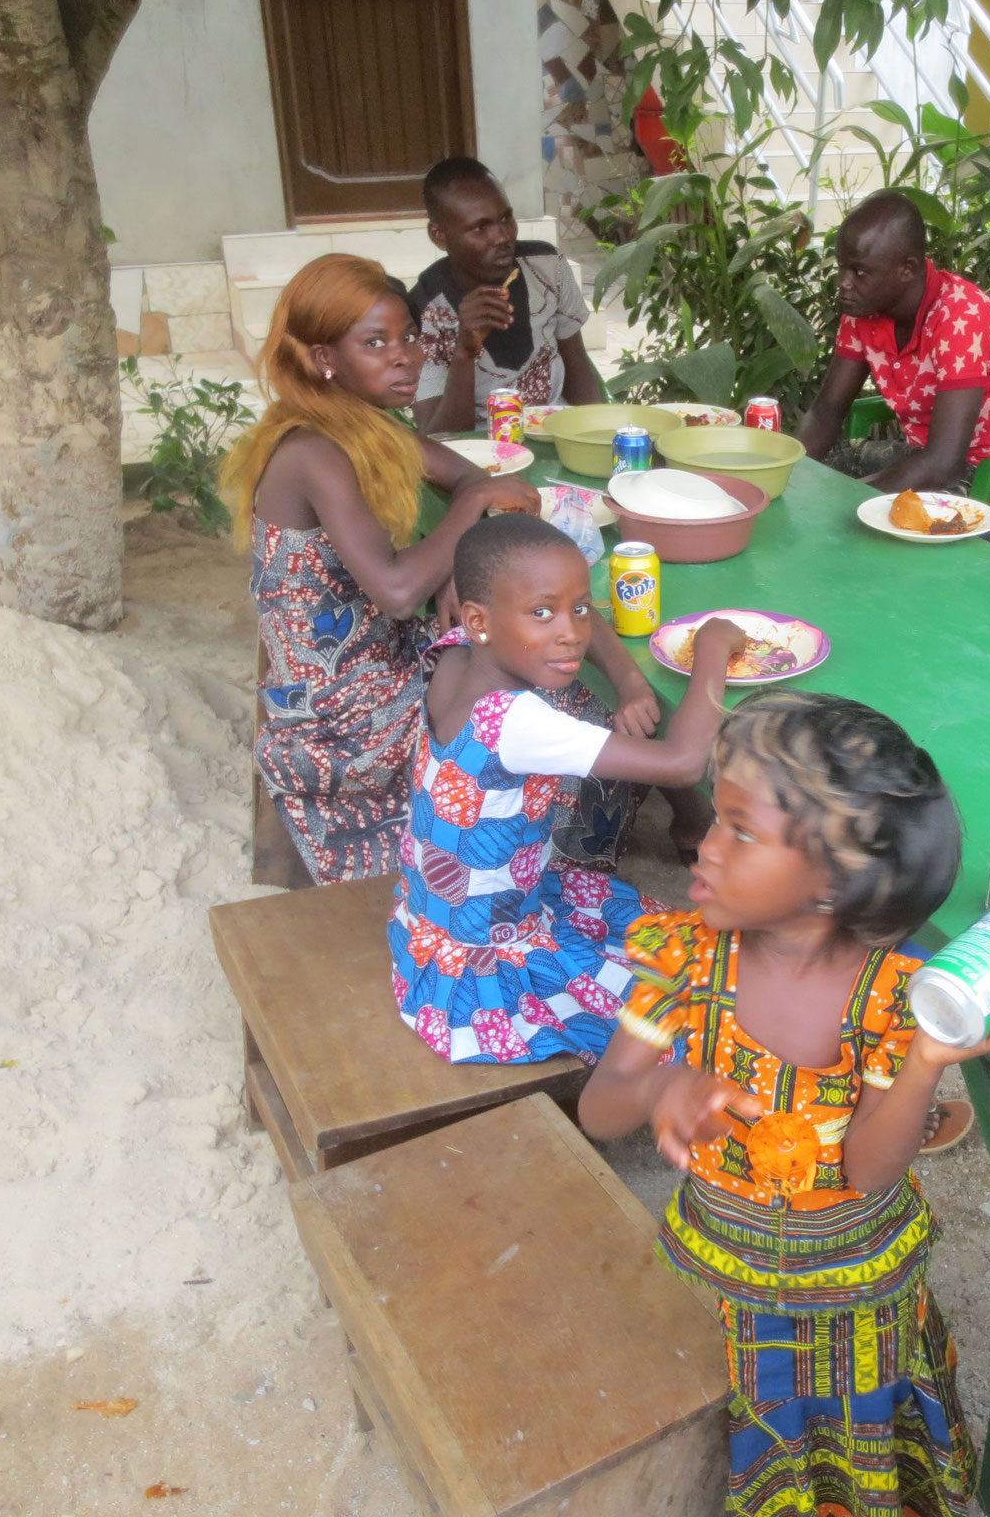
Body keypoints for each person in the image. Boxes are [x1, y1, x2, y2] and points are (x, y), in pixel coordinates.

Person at [579, 691, 990, 1516]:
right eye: (715, 816)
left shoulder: (893, 997)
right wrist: (660, 1084)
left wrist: (927, 1063)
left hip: (854, 1291)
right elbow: (599, 1108)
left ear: (832, 886)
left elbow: (868, 1171)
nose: (706, 846)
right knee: (739, 1417)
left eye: (742, 830)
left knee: (846, 1434)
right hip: (722, 1270)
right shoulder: (684, 958)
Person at [223, 253, 661, 884]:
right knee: (547, 677)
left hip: (384, 659)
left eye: (407, 336)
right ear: (325, 358)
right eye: (375, 343)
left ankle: (557, 834)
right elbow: (401, 590)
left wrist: (460, 552)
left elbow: (473, 474)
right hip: (344, 710)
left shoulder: (359, 425)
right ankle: (549, 860)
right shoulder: (312, 450)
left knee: (525, 616)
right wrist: (473, 511)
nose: (405, 356)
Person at [391, 514, 748, 1064]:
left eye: (579, 608)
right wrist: (712, 647)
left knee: (663, 937)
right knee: (686, 1010)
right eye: (542, 613)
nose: (572, 633)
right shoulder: (517, 722)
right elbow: (682, 763)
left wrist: (628, 678)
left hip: (435, 924)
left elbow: (563, 610)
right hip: (488, 965)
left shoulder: (459, 651)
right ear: (480, 618)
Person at [794, 190, 990, 502]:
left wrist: (853, 504)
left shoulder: (959, 317)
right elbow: (826, 413)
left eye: (859, 271)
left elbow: (944, 464)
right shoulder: (862, 311)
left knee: (850, 515)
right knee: (815, 479)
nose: (843, 282)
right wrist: (787, 479)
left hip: (984, 478)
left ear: (907, 269)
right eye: (842, 267)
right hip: (918, 458)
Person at [410, 157, 604, 435]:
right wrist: (464, 350)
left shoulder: (547, 267)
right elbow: (440, 437)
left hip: (556, 436)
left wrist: (594, 431)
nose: (502, 237)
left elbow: (576, 361)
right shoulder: (427, 308)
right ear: (439, 236)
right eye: (481, 227)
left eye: (506, 218)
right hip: (478, 455)